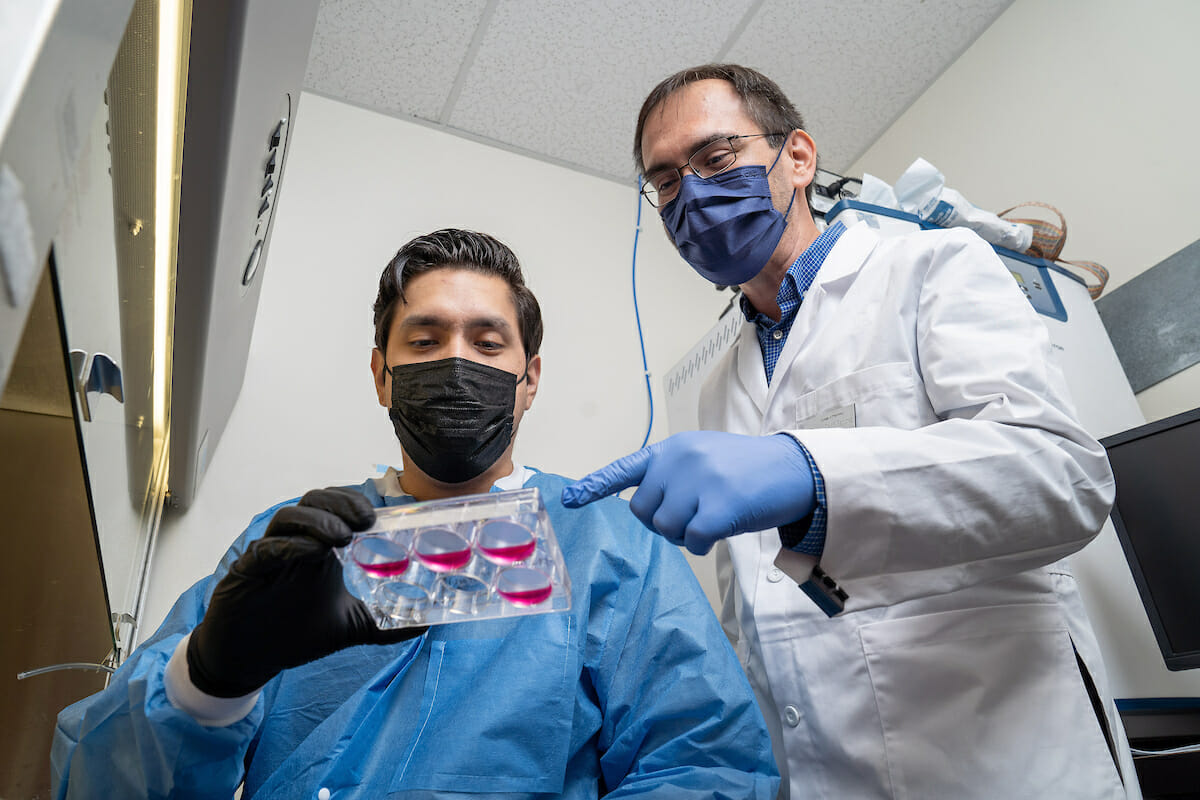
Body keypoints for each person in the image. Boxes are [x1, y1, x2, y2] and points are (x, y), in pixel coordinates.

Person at [562, 64, 1140, 799]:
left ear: (797, 157)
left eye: (716, 159)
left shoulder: (932, 268)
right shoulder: (719, 387)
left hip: (1005, 761)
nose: (692, 197)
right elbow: (774, 601)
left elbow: (1062, 476)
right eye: (667, 181)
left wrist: (809, 474)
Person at [52, 228, 779, 798]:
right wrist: (207, 680)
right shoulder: (296, 546)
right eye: (425, 341)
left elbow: (707, 765)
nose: (457, 363)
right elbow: (99, 782)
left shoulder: (604, 541)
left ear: (529, 381)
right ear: (382, 375)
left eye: (487, 343)